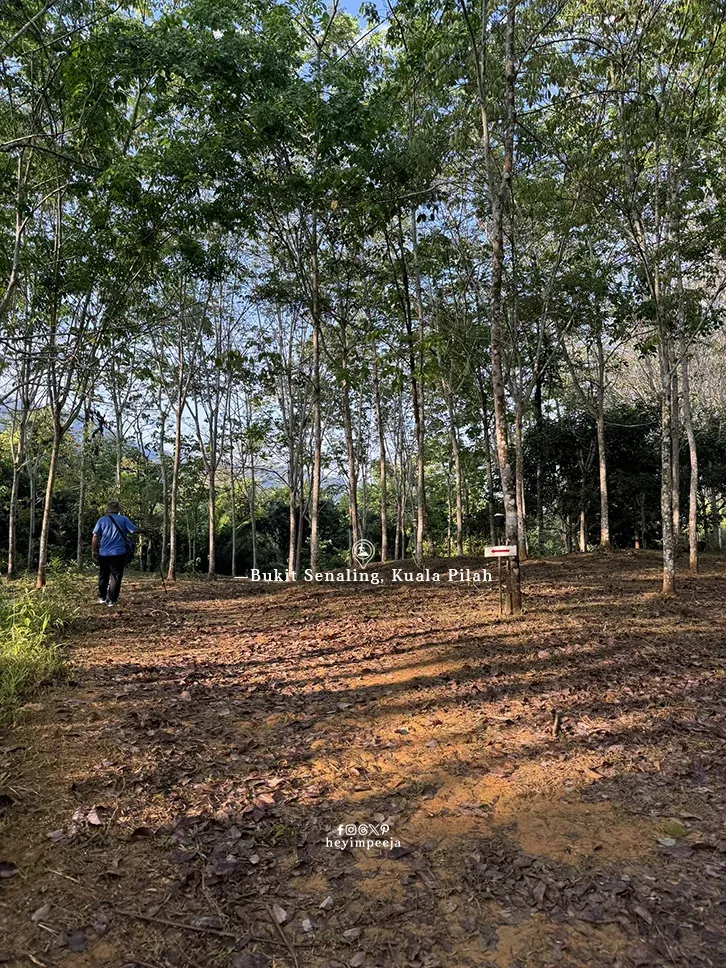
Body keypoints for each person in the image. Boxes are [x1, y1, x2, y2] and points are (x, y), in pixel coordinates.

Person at [91, 501, 139, 607]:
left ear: (107, 510)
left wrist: (93, 550)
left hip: (103, 553)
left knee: (103, 575)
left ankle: (102, 598)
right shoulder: (124, 519)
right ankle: (112, 600)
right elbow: (133, 530)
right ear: (118, 510)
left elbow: (95, 536)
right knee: (115, 576)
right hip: (118, 553)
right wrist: (144, 531)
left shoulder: (101, 520)